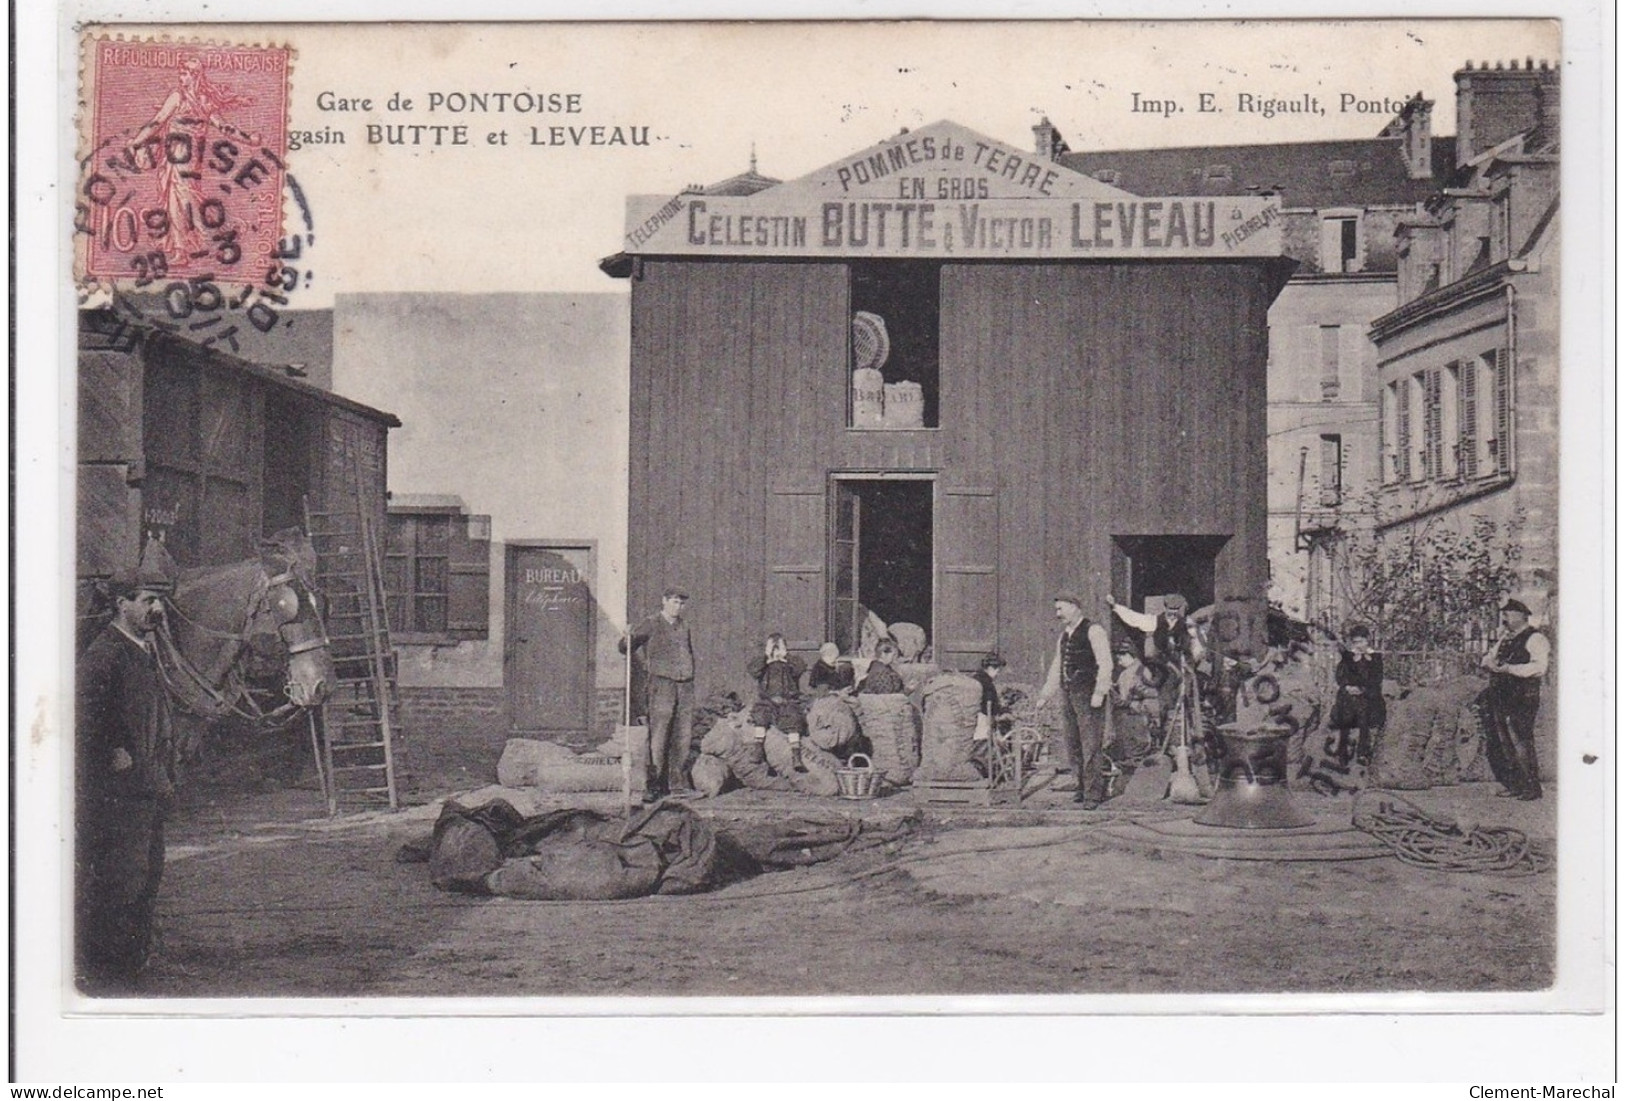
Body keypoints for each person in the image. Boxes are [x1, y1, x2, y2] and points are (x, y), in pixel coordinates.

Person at [76, 558, 177, 992]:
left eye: (160, 601)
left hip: (146, 788)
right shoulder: (105, 655)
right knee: (120, 880)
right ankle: (107, 973)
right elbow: (83, 716)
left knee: (144, 876)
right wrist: (111, 751)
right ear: (122, 604)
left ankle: (130, 965)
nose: (158, 610)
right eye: (149, 601)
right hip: (118, 795)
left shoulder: (140, 650)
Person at [1035, 593, 1114, 807]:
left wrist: (1099, 692)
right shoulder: (1064, 636)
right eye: (1057, 609)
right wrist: (1045, 695)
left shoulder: (1094, 631)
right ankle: (1080, 787)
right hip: (1068, 694)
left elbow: (1105, 663)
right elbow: (1056, 667)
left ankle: (1093, 794)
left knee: (1091, 745)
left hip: (1089, 696)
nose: (1057, 614)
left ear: (1074, 607)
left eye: (1060, 609)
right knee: (1073, 744)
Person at [619, 588, 697, 803]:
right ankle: (653, 786)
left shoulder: (684, 625)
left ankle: (677, 784)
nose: (677, 607)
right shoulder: (651, 623)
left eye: (681, 603)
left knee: (683, 736)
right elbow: (625, 647)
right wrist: (627, 638)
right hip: (661, 685)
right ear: (664, 601)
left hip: (685, 685)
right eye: (674, 602)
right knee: (659, 736)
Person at [1479, 599, 1550, 801]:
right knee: (1505, 741)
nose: (1504, 618)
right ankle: (1515, 785)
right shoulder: (1506, 638)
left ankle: (1531, 788)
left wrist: (1510, 669)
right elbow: (1487, 658)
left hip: (1523, 696)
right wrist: (1491, 663)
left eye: (1508, 614)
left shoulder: (1536, 639)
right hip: (1502, 695)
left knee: (1521, 740)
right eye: (1504, 614)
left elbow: (1539, 668)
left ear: (1521, 616)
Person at [748, 633, 809, 773]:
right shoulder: (763, 665)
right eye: (773, 649)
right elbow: (753, 670)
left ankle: (796, 756)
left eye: (778, 648)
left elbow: (801, 668)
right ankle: (758, 749)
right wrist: (766, 656)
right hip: (768, 702)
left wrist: (785, 656)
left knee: (794, 719)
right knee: (760, 715)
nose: (776, 653)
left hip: (787, 702)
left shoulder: (789, 665)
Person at [1328, 624, 1385, 768]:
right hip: (1349, 695)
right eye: (1355, 642)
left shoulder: (1375, 658)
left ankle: (1362, 752)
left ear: (1367, 641)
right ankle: (1343, 752)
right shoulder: (1348, 658)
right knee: (1348, 707)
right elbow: (1340, 676)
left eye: (1360, 641)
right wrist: (1348, 686)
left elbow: (1376, 679)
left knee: (1363, 710)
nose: (1358, 645)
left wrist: (1362, 689)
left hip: (1368, 696)